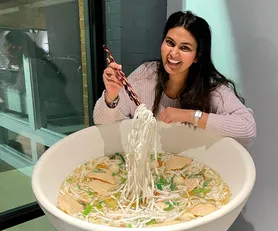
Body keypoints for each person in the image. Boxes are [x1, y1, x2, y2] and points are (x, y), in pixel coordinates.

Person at [93, 11, 256, 148]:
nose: (174, 53)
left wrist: (189, 116)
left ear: (197, 56)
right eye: (170, 43)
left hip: (192, 169)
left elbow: (247, 129)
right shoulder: (146, 74)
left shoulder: (211, 87)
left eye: (185, 48)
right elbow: (103, 123)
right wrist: (111, 96)